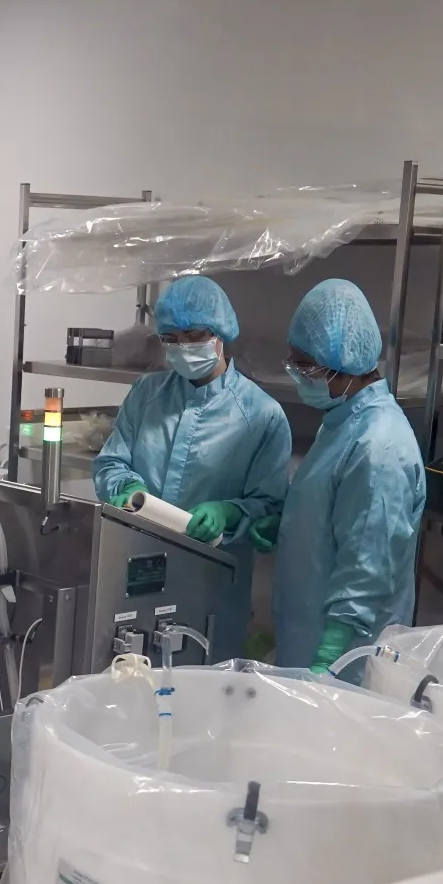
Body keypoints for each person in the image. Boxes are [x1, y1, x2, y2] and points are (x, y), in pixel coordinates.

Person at [92, 276, 291, 660]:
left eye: (194, 335)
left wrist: (228, 512)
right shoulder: (148, 394)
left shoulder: (261, 416)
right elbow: (112, 460)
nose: (183, 347)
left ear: (220, 334)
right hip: (136, 570)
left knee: (204, 692)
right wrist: (127, 486)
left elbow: (269, 503)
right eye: (171, 338)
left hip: (213, 585)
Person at [251, 278, 426, 673]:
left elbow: (368, 566)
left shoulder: (379, 446)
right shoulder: (343, 423)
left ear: (344, 362)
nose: (297, 374)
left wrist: (328, 658)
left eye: (305, 364)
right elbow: (340, 515)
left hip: (348, 657)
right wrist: (290, 525)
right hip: (308, 638)